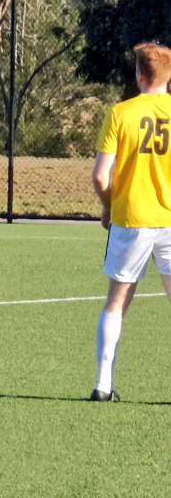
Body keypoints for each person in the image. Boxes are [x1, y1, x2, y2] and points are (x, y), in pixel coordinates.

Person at [90, 41, 171, 402]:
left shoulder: (120, 113)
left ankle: (103, 385)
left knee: (117, 301)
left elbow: (99, 176)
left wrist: (108, 206)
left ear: (139, 74)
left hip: (131, 219)